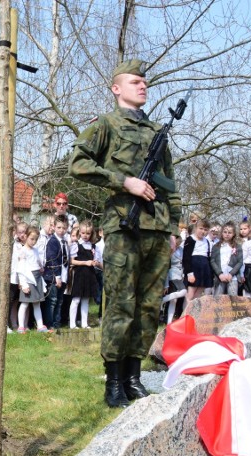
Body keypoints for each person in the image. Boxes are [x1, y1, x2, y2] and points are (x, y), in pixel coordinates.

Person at [68, 59, 182, 408]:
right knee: (120, 303)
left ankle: (134, 377)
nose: (142, 86)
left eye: (144, 82)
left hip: (157, 229)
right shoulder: (106, 125)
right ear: (117, 88)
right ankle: (114, 380)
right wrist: (124, 182)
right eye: (135, 82)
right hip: (123, 225)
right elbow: (78, 164)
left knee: (148, 307)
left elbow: (170, 182)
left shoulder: (155, 132)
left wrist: (174, 225)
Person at [16, 226, 49, 333]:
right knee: (25, 303)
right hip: (28, 279)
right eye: (32, 239)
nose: (34, 242)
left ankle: (40, 326)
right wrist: (24, 284)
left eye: (36, 239)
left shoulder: (35, 250)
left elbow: (37, 261)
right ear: (25, 237)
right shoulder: (23, 251)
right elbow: (21, 269)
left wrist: (40, 267)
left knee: (37, 303)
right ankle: (21, 326)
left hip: (37, 278)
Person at [68, 219, 99, 329]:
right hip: (79, 274)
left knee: (86, 299)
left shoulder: (92, 246)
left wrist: (94, 262)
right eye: (83, 233)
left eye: (88, 233)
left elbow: (94, 260)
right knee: (76, 299)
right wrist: (85, 263)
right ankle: (72, 324)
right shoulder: (76, 245)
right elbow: (72, 261)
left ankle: (84, 323)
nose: (85, 235)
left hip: (89, 275)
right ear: (79, 232)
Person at [42, 214, 69, 330]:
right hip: (53, 276)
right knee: (52, 301)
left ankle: (57, 324)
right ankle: (50, 324)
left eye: (63, 228)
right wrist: (57, 276)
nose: (61, 230)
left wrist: (65, 277)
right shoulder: (52, 241)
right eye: (59, 228)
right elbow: (52, 259)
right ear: (54, 227)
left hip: (63, 276)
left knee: (59, 301)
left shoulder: (65, 242)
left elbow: (66, 259)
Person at [182, 219, 213, 303]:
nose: (203, 231)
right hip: (193, 269)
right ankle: (186, 315)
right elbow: (186, 258)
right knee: (190, 295)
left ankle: (194, 314)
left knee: (197, 296)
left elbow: (208, 257)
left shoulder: (206, 241)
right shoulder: (190, 239)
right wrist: (190, 273)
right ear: (196, 228)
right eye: (201, 228)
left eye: (205, 230)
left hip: (204, 269)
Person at [210, 221, 243, 297]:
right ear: (221, 233)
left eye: (230, 232)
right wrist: (219, 274)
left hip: (232, 277)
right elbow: (212, 261)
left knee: (233, 299)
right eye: (225, 232)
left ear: (234, 234)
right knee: (218, 299)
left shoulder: (237, 247)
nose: (227, 234)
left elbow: (240, 262)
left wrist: (231, 274)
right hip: (220, 277)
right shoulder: (216, 246)